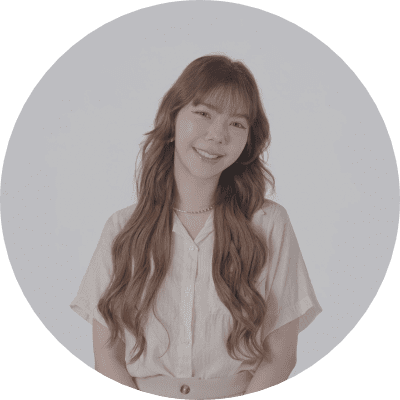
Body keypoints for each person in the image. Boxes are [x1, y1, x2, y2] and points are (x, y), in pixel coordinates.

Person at [70, 54, 322, 400]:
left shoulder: (268, 224)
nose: (217, 135)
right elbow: (107, 355)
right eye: (204, 114)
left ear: (249, 139)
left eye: (237, 123)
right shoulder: (121, 228)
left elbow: (280, 357)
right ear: (172, 117)